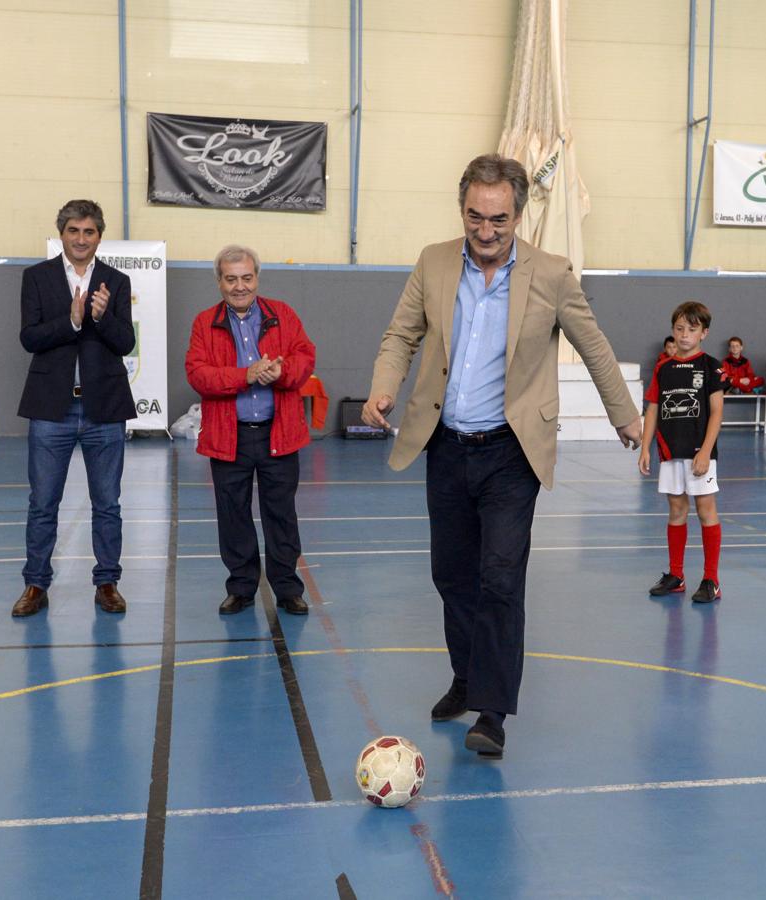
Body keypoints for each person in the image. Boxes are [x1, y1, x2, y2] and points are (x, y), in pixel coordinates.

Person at [361, 153, 642, 759]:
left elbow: (593, 346)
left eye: (499, 220)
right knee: (451, 576)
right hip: (446, 444)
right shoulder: (434, 262)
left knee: (501, 578)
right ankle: (465, 676)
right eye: (474, 218)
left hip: (512, 451)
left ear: (518, 214)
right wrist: (386, 385)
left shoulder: (552, 273)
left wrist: (625, 414)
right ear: (462, 209)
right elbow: (401, 334)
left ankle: (492, 711)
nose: (486, 233)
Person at [11, 199, 137, 618]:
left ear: (99, 236)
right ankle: (35, 584)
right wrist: (72, 321)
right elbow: (30, 337)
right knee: (43, 502)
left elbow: (125, 343)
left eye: (89, 232)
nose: (81, 239)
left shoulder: (116, 282)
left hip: (104, 409)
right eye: (73, 231)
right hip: (52, 409)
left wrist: (100, 317)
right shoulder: (37, 278)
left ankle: (107, 583)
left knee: (108, 503)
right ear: (61, 233)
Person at [185, 245, 316, 616]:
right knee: (233, 515)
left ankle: (287, 588)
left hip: (278, 434)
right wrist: (245, 375)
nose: (239, 286)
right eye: (231, 279)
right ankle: (241, 587)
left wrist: (282, 372)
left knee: (281, 515)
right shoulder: (203, 323)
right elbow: (198, 374)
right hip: (230, 437)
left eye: (246, 278)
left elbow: (305, 357)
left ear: (257, 277)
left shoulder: (284, 315)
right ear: (219, 282)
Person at [639, 301, 724, 603]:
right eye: (679, 329)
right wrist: (646, 447)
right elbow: (652, 409)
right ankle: (676, 575)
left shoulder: (711, 366)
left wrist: (706, 452)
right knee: (676, 511)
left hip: (700, 452)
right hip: (670, 451)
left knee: (705, 511)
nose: (685, 334)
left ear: (704, 333)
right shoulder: (663, 368)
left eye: (692, 329)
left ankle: (711, 580)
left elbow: (716, 413)